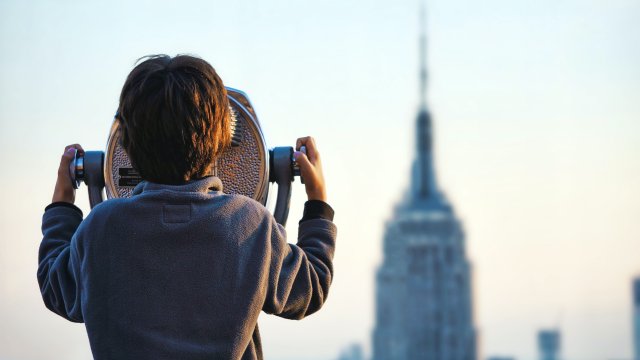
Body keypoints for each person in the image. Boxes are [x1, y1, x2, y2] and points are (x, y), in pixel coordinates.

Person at [37, 55, 337, 360]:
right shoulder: (251, 225)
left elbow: (55, 287)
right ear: (223, 137)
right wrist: (317, 202)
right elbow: (311, 287)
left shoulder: (102, 227)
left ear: (125, 142)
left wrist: (62, 200)